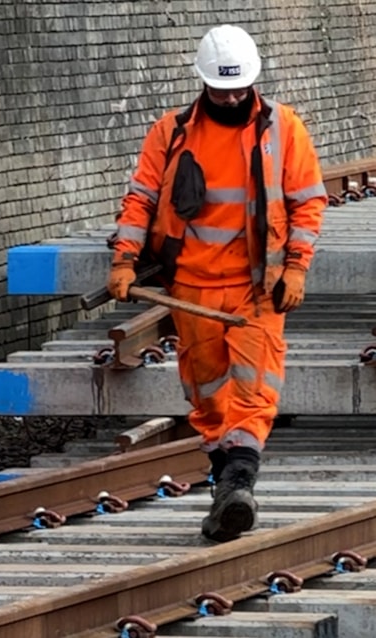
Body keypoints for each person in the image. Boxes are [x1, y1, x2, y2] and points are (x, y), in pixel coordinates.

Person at [106, 24, 326, 542]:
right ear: (203, 84)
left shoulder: (282, 129)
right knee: (209, 402)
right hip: (192, 290)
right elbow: (140, 201)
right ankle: (227, 492)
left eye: (238, 89)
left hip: (258, 290)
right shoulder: (172, 132)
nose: (230, 97)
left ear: (253, 83)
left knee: (253, 396)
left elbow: (307, 204)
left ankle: (238, 484)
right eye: (220, 89)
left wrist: (296, 266)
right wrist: (123, 258)